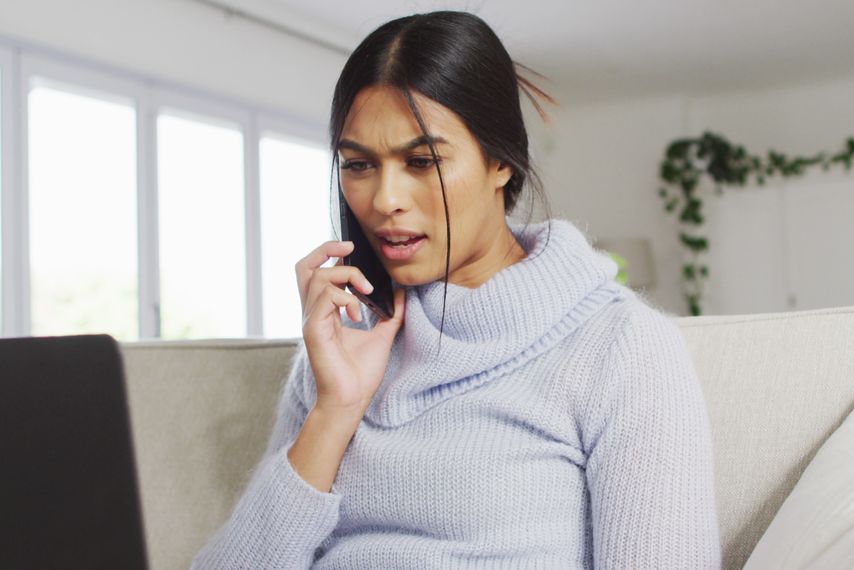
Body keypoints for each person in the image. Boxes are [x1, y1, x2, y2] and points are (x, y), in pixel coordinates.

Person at [192, 10, 720, 569]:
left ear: (500, 161)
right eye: (358, 164)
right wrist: (334, 410)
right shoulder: (344, 342)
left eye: (421, 161)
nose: (384, 199)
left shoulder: (621, 347)